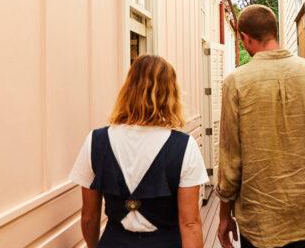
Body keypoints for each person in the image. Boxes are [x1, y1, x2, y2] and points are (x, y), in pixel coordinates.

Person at [216, 5, 305, 248]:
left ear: (245, 37)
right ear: (274, 32)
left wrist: (224, 216)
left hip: (260, 225)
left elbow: (231, 162)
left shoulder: (236, 82)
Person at [69, 55, 208, 247]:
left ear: (128, 90)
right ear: (170, 94)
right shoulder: (184, 146)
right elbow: (190, 223)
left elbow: (89, 217)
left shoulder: (96, 141)